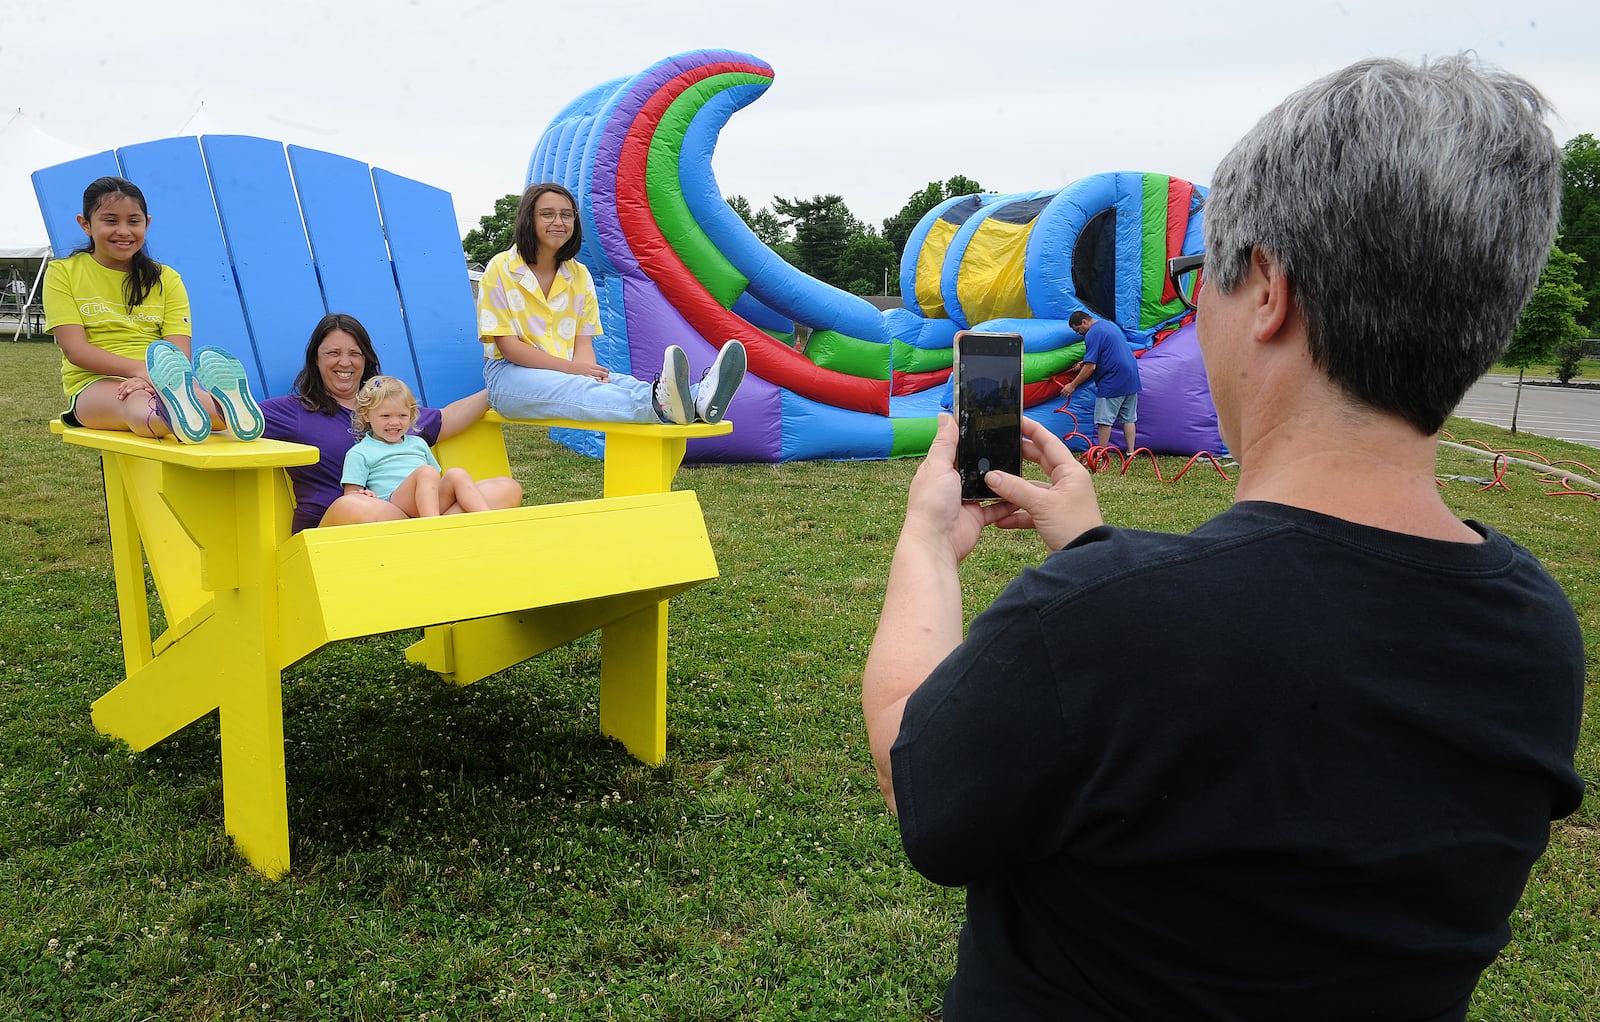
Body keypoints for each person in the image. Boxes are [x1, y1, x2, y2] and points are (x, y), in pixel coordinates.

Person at [862, 56, 1585, 1020]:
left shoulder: (1107, 624)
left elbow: (922, 776)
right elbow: (1283, 686)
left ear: (1270, 294)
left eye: (1200, 275)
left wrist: (926, 545)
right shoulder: (1536, 628)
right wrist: (1090, 550)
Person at [476, 182, 747, 426]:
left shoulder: (579, 275)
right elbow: (509, 347)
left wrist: (584, 372)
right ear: (528, 220)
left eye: (567, 214)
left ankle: (698, 396)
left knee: (617, 382)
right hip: (509, 376)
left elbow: (583, 345)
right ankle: (661, 404)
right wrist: (575, 371)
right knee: (581, 389)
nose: (558, 221)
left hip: (565, 371)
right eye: (547, 214)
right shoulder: (501, 267)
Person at [42, 175, 264, 444]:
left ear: (147, 224)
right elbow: (76, 351)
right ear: (86, 224)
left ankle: (216, 407)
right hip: (95, 383)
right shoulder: (63, 273)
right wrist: (142, 373)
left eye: (134, 221)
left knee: (182, 396)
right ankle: (200, 410)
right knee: (133, 402)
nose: (123, 231)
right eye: (110, 221)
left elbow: (178, 351)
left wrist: (157, 379)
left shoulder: (166, 278)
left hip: (167, 377)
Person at [261, 313, 523, 531]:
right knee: (350, 506)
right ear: (316, 359)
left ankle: (433, 535)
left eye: (355, 353)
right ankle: (437, 532)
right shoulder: (295, 410)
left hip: (412, 515)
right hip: (350, 523)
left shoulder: (392, 409)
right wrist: (219, 408)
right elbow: (238, 418)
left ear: (366, 360)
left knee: (506, 488)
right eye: (333, 353)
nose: (344, 362)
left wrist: (499, 388)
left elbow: (448, 417)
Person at [341, 375, 490, 519]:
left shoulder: (418, 443)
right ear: (366, 415)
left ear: (412, 415)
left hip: (428, 502)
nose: (395, 422)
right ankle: (432, 526)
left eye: (402, 416)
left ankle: (490, 520)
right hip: (392, 508)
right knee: (426, 472)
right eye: (386, 416)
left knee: (456, 474)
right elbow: (350, 497)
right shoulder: (360, 452)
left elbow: (435, 481)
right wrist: (363, 495)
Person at [1059, 310, 1141, 455]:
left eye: (1078, 329)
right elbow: (1109, 350)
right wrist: (1084, 362)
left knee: (1104, 420)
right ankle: (1130, 453)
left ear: (1084, 322)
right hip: (1131, 377)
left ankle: (1100, 455)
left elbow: (1092, 366)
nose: (1079, 333)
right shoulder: (1108, 325)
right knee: (1128, 419)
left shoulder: (1092, 333)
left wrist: (1072, 385)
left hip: (1113, 380)